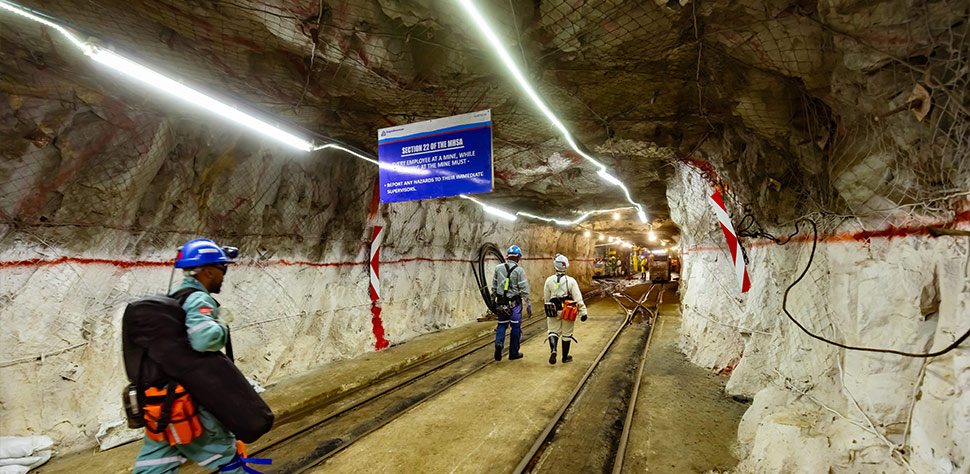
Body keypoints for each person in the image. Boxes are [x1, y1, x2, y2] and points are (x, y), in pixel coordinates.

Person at [133, 239, 247, 474]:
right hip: (189, 402)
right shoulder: (198, 298)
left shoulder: (174, 297)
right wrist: (221, 325)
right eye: (221, 269)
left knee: (154, 465)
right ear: (207, 271)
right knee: (226, 457)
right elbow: (203, 340)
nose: (223, 276)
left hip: (164, 401)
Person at [543, 254, 588, 365]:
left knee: (553, 331)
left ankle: (553, 349)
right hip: (567, 310)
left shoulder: (549, 280)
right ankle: (565, 356)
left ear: (555, 266)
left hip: (553, 309)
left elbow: (546, 298)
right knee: (567, 333)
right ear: (566, 266)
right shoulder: (571, 281)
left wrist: (549, 309)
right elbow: (578, 297)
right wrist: (583, 312)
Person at [491, 245, 532, 361]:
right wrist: (528, 305)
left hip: (501, 303)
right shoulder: (519, 271)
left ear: (507, 256)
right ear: (518, 257)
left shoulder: (498, 268)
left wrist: (493, 298)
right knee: (515, 327)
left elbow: (494, 285)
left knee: (502, 325)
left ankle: (499, 344)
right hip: (515, 305)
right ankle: (513, 352)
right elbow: (524, 289)